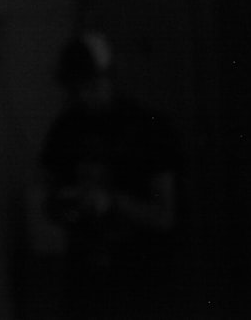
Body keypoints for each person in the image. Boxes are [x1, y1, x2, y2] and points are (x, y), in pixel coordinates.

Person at [41, 32, 182, 320]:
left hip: (139, 283)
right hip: (85, 283)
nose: (83, 96)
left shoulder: (147, 129)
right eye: (75, 88)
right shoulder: (66, 129)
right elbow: (49, 199)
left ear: (110, 78)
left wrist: (112, 203)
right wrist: (66, 206)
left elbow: (164, 215)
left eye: (91, 85)